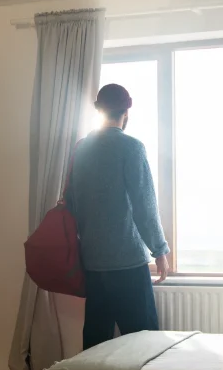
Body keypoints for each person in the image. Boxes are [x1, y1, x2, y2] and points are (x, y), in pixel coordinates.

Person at [68, 83, 170, 349]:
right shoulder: (131, 148)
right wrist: (159, 250)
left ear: (99, 110)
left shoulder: (81, 149)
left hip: (94, 264)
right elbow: (144, 204)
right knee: (145, 345)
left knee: (95, 348)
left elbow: (73, 204)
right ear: (126, 113)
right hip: (128, 264)